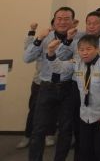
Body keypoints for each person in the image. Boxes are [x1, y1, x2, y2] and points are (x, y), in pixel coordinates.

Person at [48, 34, 100, 161]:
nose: (85, 53)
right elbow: (59, 68)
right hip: (85, 114)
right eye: (81, 50)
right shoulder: (77, 62)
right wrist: (51, 52)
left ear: (97, 49)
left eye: (88, 49)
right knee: (85, 149)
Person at [23, 7, 77, 161]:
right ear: (54, 21)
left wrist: (67, 42)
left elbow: (62, 58)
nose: (62, 22)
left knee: (65, 129)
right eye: (59, 18)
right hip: (46, 87)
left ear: (73, 21)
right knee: (38, 129)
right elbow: (27, 58)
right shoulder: (45, 37)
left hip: (67, 87)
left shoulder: (78, 39)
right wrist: (39, 38)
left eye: (66, 19)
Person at [16, 22, 57, 150]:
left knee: (53, 109)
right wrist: (32, 31)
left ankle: (49, 134)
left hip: (56, 83)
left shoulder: (66, 39)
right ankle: (27, 136)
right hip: (39, 82)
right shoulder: (43, 38)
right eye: (57, 22)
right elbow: (28, 50)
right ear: (52, 25)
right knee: (34, 110)